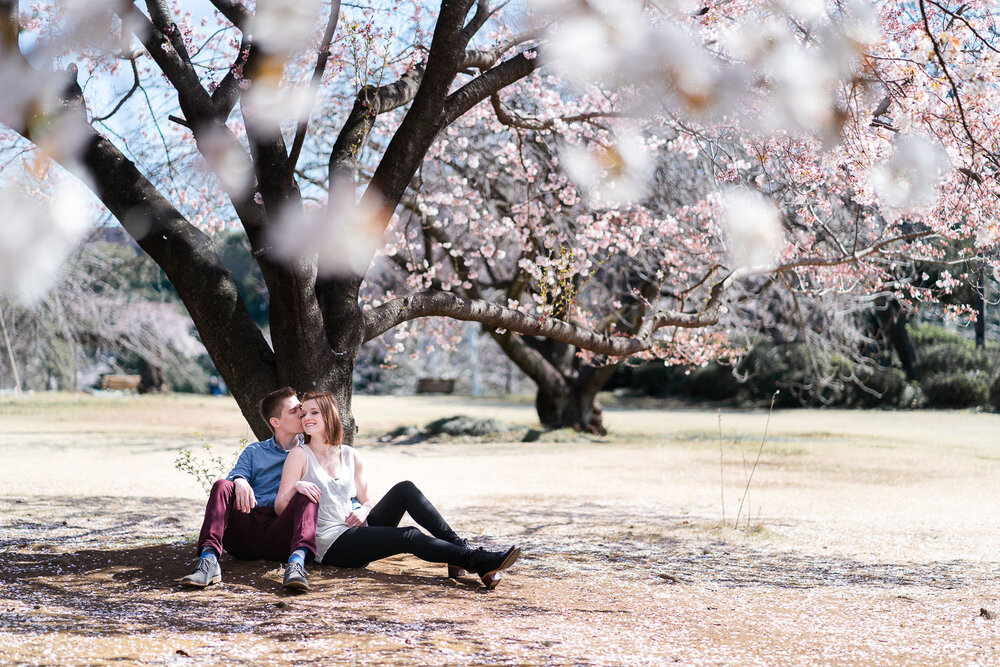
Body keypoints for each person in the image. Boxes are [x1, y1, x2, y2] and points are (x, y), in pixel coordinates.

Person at [275, 391, 521, 590]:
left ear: (330, 415)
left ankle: (461, 549)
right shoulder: (300, 455)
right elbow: (279, 507)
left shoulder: (350, 455)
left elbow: (367, 499)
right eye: (303, 413)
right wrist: (297, 486)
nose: (306, 417)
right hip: (331, 543)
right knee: (409, 535)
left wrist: (364, 510)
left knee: (405, 489)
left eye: (314, 412)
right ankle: (475, 560)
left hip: (356, 528)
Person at [181, 387, 318, 591]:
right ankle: (208, 561)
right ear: (275, 422)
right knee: (222, 485)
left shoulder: (310, 452)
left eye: (301, 408)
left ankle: (297, 564)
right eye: (294, 411)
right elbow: (233, 479)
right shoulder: (255, 451)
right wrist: (240, 480)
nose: (302, 413)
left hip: (281, 533)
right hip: (246, 529)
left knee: (308, 494)